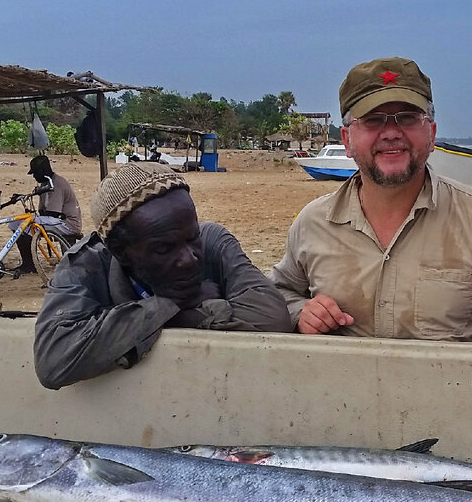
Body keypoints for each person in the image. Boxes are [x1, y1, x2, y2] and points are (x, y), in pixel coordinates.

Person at [269, 56, 472, 343]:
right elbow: (276, 294)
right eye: (373, 120)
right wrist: (300, 312)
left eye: (407, 118)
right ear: (347, 140)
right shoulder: (312, 223)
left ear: (431, 133)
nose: (391, 133)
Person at [33, 162, 291, 389]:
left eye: (192, 238)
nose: (189, 258)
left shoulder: (213, 240)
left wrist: (129, 333)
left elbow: (271, 318)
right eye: (164, 249)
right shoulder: (85, 266)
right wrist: (170, 306)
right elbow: (54, 362)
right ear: (120, 253)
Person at [12, 155, 82, 274]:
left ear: (42, 172)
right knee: (16, 224)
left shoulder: (57, 184)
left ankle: (29, 264)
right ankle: (28, 262)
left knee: (24, 224)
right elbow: (43, 212)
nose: (34, 176)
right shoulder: (46, 184)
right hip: (59, 220)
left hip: (67, 223)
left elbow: (53, 213)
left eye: (35, 173)